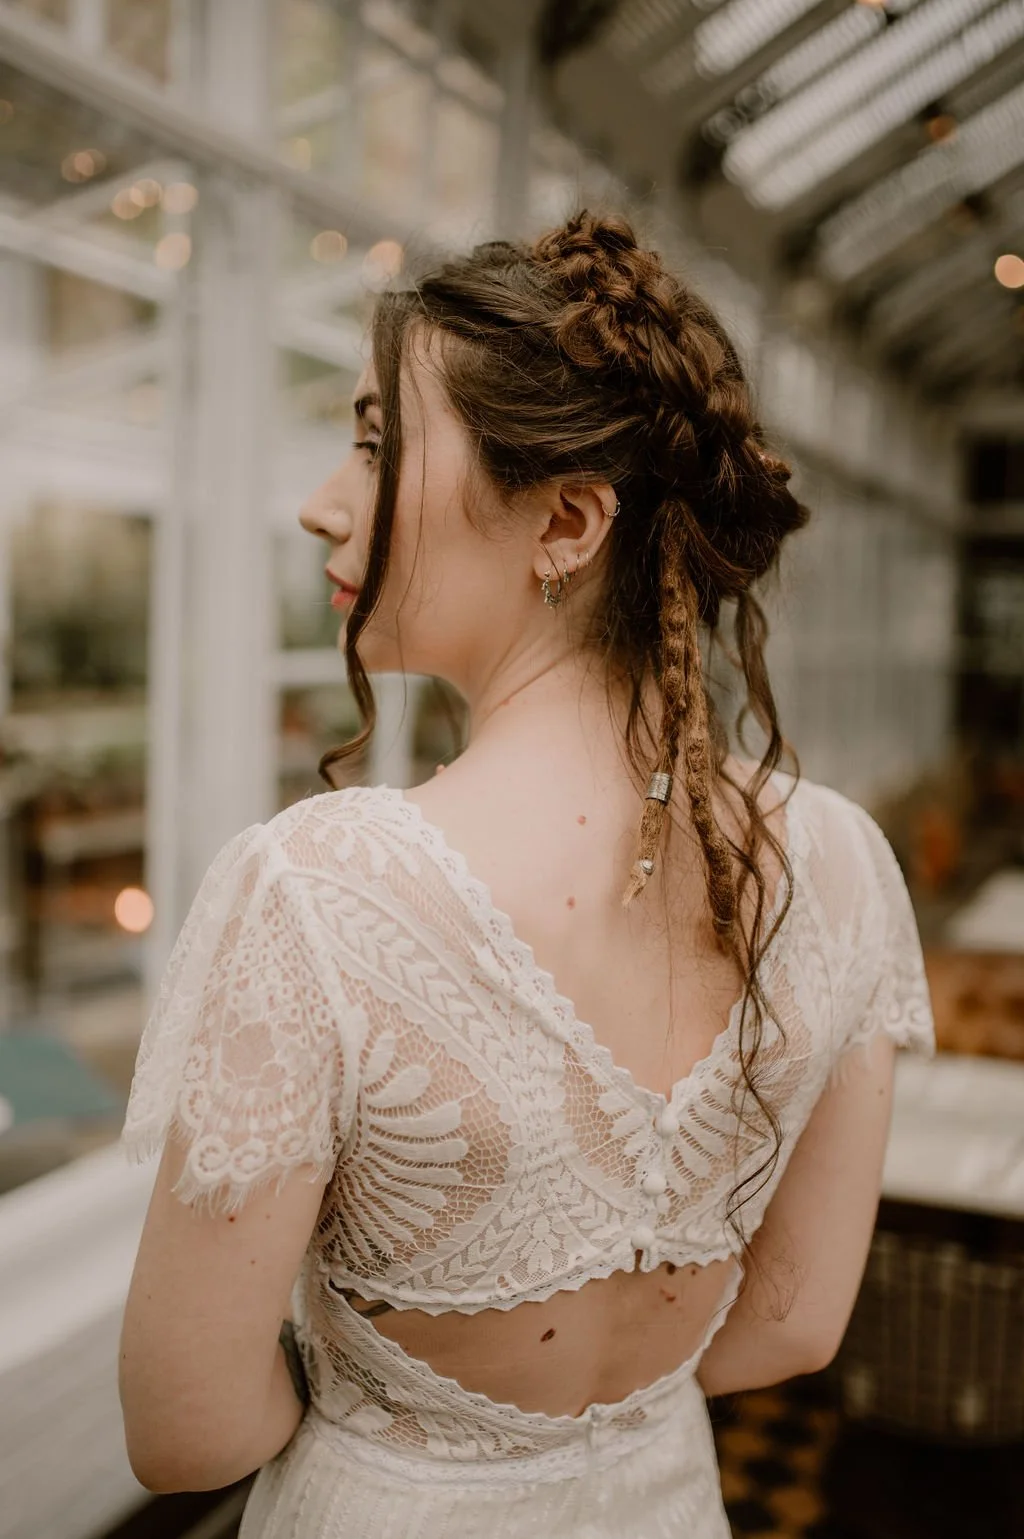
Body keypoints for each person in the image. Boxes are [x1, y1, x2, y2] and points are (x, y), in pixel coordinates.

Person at [118, 210, 935, 1537]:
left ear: (566, 520)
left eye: (378, 442)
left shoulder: (323, 888)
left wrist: (409, 1441)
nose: (327, 498)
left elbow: (188, 1422)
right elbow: (791, 1324)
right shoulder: (840, 865)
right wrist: (587, 1439)